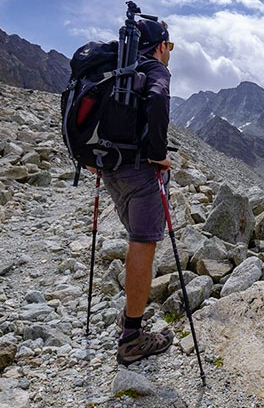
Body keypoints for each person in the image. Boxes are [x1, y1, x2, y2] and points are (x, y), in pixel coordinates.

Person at [86, 18, 175, 365]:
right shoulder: (155, 69)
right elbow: (157, 98)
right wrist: (157, 153)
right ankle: (133, 337)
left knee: (135, 237)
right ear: (161, 45)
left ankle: (129, 316)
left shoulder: (116, 70)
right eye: (171, 47)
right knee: (142, 241)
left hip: (109, 169)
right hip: (140, 171)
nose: (170, 54)